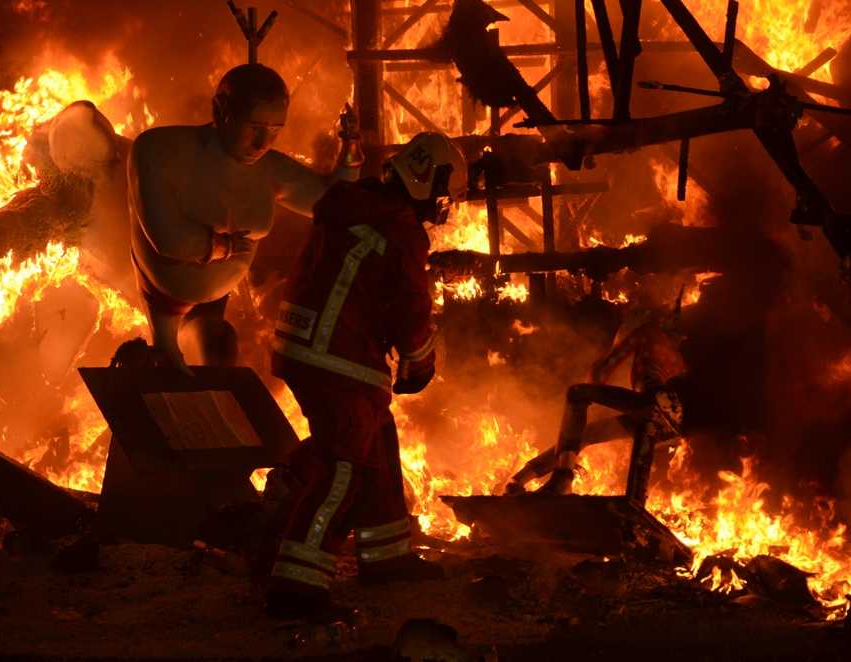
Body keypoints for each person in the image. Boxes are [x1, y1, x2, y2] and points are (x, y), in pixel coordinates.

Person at [265, 132, 469, 620]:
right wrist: (420, 362)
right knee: (345, 468)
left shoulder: (352, 205)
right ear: (428, 186)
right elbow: (410, 308)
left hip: (303, 345)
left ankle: (386, 554)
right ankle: (297, 584)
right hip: (340, 358)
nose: (442, 209)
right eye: (443, 198)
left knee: (377, 439)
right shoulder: (399, 228)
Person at [127, 63, 363, 372]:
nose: (262, 144)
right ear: (220, 111)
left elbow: (333, 204)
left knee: (219, 354)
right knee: (174, 366)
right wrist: (220, 247)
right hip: (161, 295)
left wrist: (350, 151)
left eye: (275, 131)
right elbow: (168, 238)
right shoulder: (160, 150)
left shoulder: (270, 169)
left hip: (216, 299)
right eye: (254, 127)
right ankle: (165, 348)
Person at [507, 291, 687, 501]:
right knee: (589, 433)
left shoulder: (648, 332)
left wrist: (583, 410)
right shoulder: (680, 357)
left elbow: (600, 372)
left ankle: (562, 479)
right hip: (673, 424)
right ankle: (520, 478)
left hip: (652, 403)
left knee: (576, 394)